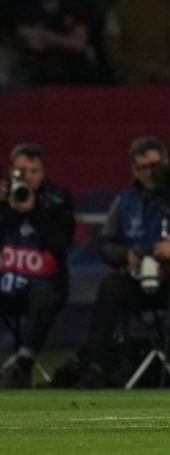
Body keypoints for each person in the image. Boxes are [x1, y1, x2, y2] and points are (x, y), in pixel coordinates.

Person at [74, 137, 170, 389]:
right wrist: (126, 255)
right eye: (142, 167)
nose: (149, 173)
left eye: (155, 165)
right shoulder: (125, 200)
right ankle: (94, 367)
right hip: (136, 278)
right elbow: (104, 245)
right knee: (110, 286)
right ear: (134, 170)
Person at [0, 143, 74, 387]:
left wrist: (34, 210)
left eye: (34, 171)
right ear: (12, 171)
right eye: (22, 171)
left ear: (43, 172)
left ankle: (22, 363)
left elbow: (62, 243)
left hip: (42, 287)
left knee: (44, 293)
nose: (28, 177)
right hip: (5, 282)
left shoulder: (58, 199)